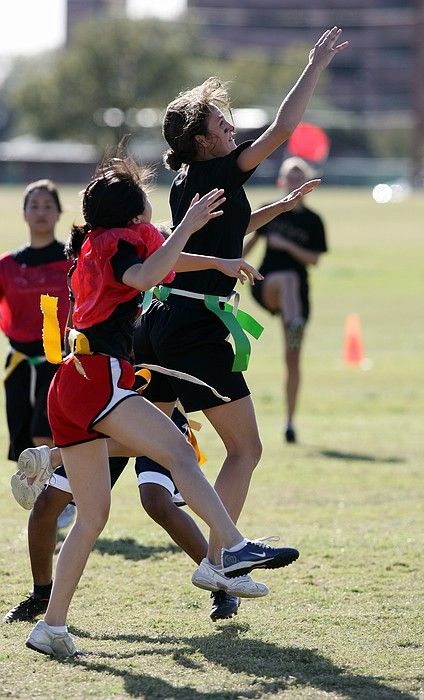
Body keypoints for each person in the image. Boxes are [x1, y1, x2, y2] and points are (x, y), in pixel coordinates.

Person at [23, 151, 299, 658]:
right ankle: (231, 548)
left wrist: (215, 259)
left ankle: (52, 627)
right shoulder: (121, 246)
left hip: (71, 379)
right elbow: (143, 276)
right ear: (132, 216)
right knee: (176, 449)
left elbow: (160, 262)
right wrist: (190, 225)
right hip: (98, 378)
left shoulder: (101, 239)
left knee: (92, 517)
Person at [137, 27, 347, 576]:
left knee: (145, 437)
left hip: (162, 321)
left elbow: (224, 234)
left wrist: (281, 206)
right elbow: (283, 128)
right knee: (246, 449)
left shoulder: (189, 178)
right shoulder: (222, 167)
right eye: (221, 124)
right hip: (193, 327)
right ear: (203, 140)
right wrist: (315, 66)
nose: (231, 129)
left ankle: (56, 465)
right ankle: (221, 557)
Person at [6, 409, 239, 626]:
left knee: (156, 501)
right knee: (46, 504)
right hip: (103, 416)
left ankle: (221, 582)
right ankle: (42, 594)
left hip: (157, 413)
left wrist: (59, 455)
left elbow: (144, 436)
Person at [0, 179, 75, 528]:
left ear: (59, 212)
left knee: (46, 430)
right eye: (35, 205)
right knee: (23, 437)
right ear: (24, 212)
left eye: (48, 205)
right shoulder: (8, 265)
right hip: (17, 362)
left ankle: (59, 499)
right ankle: (48, 498)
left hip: (57, 358)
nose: (41, 212)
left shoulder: (71, 260)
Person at [244, 157, 328, 444]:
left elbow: (315, 259)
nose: (293, 182)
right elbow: (246, 246)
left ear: (306, 184)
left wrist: (288, 246)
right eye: (288, 177)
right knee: (287, 279)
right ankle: (294, 324)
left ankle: (290, 423)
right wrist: (223, 263)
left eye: (298, 177)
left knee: (293, 361)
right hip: (268, 285)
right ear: (282, 182)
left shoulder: (313, 221)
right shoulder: (271, 211)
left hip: (298, 295)